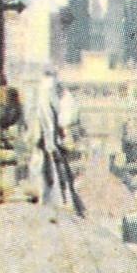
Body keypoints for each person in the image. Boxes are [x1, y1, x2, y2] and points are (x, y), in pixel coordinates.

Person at [29, 70, 83, 214]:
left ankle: (55, 201)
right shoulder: (47, 93)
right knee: (47, 170)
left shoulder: (49, 93)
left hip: (49, 141)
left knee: (52, 172)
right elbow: (48, 121)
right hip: (47, 141)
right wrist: (51, 141)